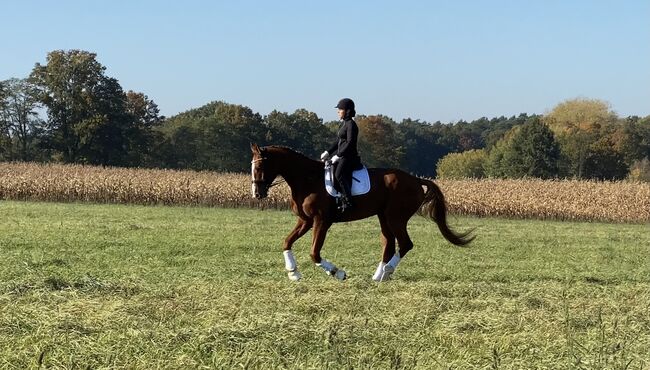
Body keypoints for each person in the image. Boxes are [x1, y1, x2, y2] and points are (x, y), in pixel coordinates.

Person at [321, 98, 361, 212]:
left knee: (339, 174)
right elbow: (337, 142)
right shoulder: (344, 124)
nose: (338, 111)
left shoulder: (351, 125)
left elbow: (350, 143)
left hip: (349, 157)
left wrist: (338, 155)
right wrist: (328, 152)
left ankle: (349, 202)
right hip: (343, 156)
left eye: (340, 109)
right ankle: (338, 198)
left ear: (347, 110)